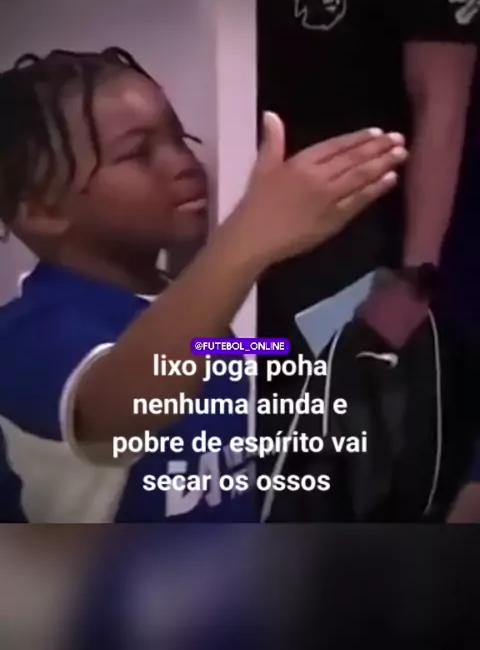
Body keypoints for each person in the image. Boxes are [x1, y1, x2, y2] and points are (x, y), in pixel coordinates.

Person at [0, 46, 406, 523]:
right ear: (42, 210)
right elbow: (136, 402)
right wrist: (250, 235)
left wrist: (347, 325)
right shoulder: (27, 337)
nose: (183, 163)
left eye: (180, 138)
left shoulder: (171, 297)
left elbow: (237, 356)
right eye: (139, 152)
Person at [256, 0, 480, 519]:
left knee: (329, 450)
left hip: (354, 246)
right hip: (249, 222)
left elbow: (442, 103)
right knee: (251, 421)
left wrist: (414, 277)